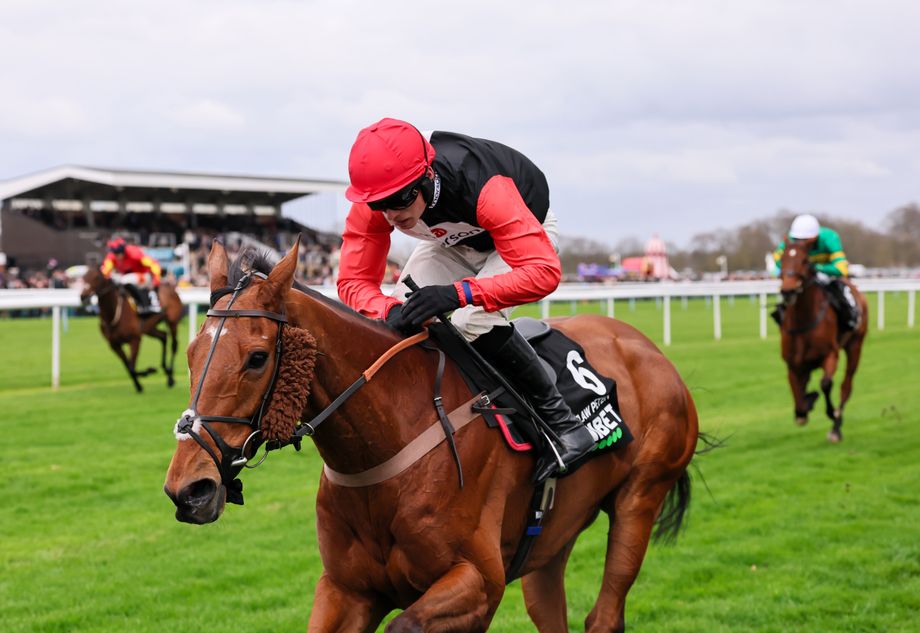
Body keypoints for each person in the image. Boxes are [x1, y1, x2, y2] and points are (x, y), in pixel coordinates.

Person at [337, 117, 595, 483]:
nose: (392, 215)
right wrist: (388, 309)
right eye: (381, 204)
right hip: (452, 243)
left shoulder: (484, 185)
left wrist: (458, 293)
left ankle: (565, 425)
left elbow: (542, 272)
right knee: (399, 321)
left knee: (470, 319)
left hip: (522, 237)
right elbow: (353, 282)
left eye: (401, 200)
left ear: (427, 175)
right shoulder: (377, 200)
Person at [771, 214, 859, 329]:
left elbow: (842, 268)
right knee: (789, 293)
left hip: (828, 274)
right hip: (804, 276)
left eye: (805, 240)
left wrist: (817, 268)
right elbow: (777, 259)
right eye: (797, 240)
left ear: (814, 238)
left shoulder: (830, 237)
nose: (800, 243)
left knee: (840, 289)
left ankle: (850, 316)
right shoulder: (791, 239)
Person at [100, 237, 162, 314]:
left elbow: (153, 264)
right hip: (125, 278)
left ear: (123, 251)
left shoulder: (134, 253)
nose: (117, 256)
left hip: (143, 276)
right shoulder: (112, 256)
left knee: (124, 280)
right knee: (115, 280)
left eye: (118, 253)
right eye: (115, 253)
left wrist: (156, 280)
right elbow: (105, 270)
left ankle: (149, 303)